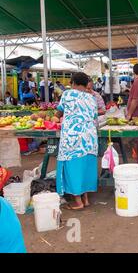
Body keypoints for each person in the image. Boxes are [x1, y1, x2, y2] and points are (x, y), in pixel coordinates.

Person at [55, 72, 98, 210]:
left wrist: (54, 118)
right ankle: (85, 199)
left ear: (73, 83)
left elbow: (58, 113)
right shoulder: (92, 98)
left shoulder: (67, 94)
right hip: (89, 138)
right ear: (86, 84)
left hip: (73, 138)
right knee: (85, 167)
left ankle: (78, 202)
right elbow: (94, 116)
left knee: (73, 168)